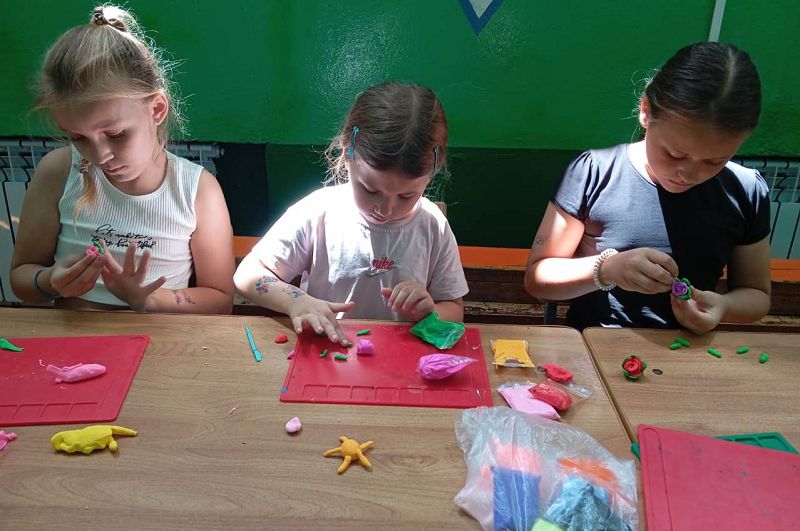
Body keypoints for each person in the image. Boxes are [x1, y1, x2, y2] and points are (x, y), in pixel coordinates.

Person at [524, 42, 770, 334]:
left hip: (689, 350)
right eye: (674, 154)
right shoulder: (594, 172)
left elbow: (757, 295)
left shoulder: (746, 190)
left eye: (715, 161)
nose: (689, 174)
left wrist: (723, 306)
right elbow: (537, 280)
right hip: (595, 344)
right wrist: (607, 269)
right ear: (646, 110)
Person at [11, 5, 235, 314]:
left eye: (116, 134)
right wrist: (49, 281)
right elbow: (21, 278)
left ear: (156, 110)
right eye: (78, 138)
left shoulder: (197, 190)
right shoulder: (58, 171)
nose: (100, 156)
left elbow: (220, 300)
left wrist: (149, 300)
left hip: (162, 340)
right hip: (73, 339)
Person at [235, 82, 468, 344]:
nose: (385, 209)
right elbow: (248, 274)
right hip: (329, 352)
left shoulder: (433, 225)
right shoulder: (319, 212)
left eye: (406, 196)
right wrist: (297, 301)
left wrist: (428, 313)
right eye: (370, 189)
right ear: (347, 153)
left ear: (432, 174)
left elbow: (454, 310)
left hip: (403, 360)